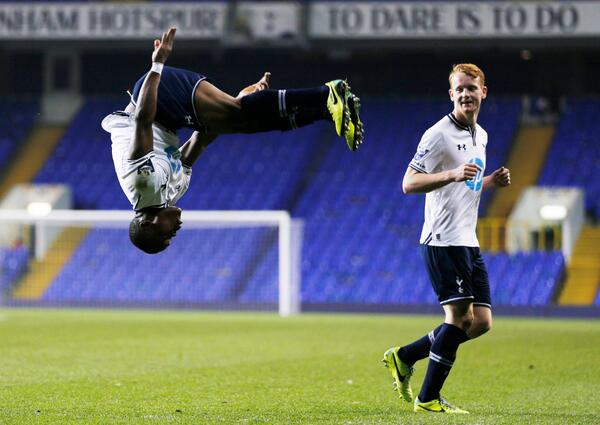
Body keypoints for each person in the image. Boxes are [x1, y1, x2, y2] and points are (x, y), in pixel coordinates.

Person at [101, 28, 363, 254]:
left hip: (154, 98)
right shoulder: (172, 191)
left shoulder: (141, 182)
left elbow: (142, 121)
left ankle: (326, 94)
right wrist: (243, 104)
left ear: (148, 223)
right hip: (170, 117)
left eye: (166, 235)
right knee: (243, 121)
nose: (174, 233)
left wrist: (156, 66)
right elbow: (203, 138)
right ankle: (325, 111)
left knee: (237, 116)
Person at [382, 63, 511, 414]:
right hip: (442, 239)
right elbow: (408, 183)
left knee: (481, 322)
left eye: (472, 88)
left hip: (468, 239)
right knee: (459, 320)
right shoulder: (437, 134)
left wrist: (489, 182)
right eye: (460, 89)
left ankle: (405, 356)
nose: (466, 94)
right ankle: (427, 399)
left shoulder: (480, 135)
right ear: (451, 94)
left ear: (484, 92)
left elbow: (467, 183)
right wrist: (452, 172)